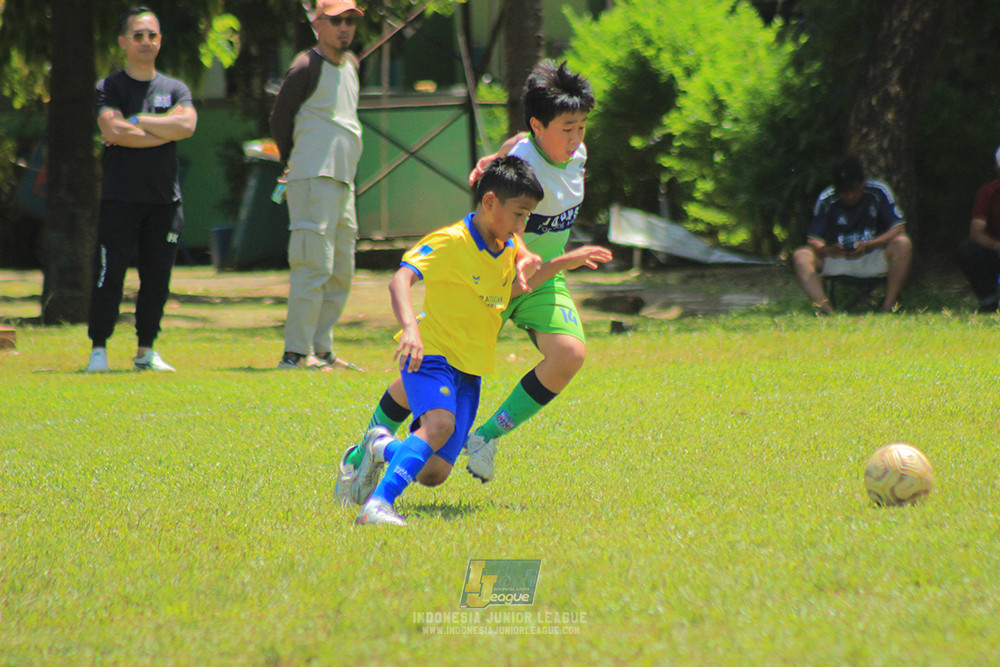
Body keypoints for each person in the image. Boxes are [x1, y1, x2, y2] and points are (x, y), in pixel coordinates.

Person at [333, 60, 611, 486]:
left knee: (569, 354)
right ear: (539, 126)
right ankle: (363, 449)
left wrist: (498, 152)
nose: (576, 138)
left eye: (581, 127)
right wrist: (519, 255)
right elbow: (511, 185)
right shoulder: (525, 158)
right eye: (567, 128)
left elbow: (518, 142)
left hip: (542, 277)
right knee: (431, 370)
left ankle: (484, 438)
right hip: (489, 277)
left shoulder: (573, 153)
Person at [346, 156, 545, 525]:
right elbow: (400, 280)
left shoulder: (505, 242)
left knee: (432, 473)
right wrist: (410, 328)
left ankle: (380, 447)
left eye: (527, 216)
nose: (523, 225)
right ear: (489, 203)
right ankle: (378, 506)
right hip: (432, 354)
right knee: (439, 426)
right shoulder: (451, 241)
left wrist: (552, 260)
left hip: (469, 370)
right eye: (519, 214)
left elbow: (520, 259)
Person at [86, 6, 198, 373]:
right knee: (110, 275)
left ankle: (145, 352)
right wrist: (161, 132)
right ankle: (98, 350)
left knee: (156, 281)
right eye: (138, 35)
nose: (146, 41)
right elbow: (112, 132)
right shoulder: (110, 87)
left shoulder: (175, 88)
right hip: (120, 199)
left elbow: (187, 128)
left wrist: (137, 122)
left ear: (160, 40)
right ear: (123, 42)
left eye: (152, 35)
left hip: (165, 201)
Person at [269, 0, 364, 371]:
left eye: (350, 21)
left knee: (341, 269)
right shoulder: (305, 66)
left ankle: (322, 350)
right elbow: (279, 118)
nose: (345, 28)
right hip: (312, 178)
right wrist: (294, 161)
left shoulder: (353, 66)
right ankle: (295, 354)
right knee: (312, 267)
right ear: (317, 23)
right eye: (336, 20)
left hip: (344, 182)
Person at [792, 155, 912, 314]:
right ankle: (826, 311)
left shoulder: (879, 191)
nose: (850, 196)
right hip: (839, 258)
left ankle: (887, 307)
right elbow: (813, 239)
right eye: (844, 192)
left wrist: (870, 244)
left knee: (903, 244)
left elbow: (898, 227)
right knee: (801, 255)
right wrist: (830, 250)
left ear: (863, 182)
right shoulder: (826, 199)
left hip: (873, 254)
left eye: (854, 190)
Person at [955, 146, 1000, 313]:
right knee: (967, 250)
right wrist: (996, 245)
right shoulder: (988, 192)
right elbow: (976, 232)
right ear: (997, 169)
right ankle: (988, 301)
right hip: (995, 252)